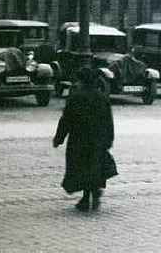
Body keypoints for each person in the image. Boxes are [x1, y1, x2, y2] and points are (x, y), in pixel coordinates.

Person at [53, 66, 117, 212]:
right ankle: (92, 193)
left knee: (81, 167)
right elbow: (109, 121)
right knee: (94, 167)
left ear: (81, 81)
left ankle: (86, 197)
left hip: (79, 139)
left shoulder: (75, 97)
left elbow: (66, 120)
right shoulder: (102, 97)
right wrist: (109, 139)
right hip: (98, 139)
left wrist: (59, 138)